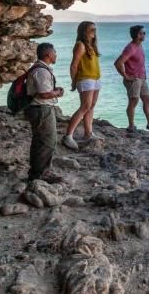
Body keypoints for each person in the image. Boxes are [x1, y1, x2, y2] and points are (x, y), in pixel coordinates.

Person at [25, 42, 64, 180]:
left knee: (40, 141)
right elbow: (44, 94)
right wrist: (57, 92)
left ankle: (36, 172)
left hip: (38, 108)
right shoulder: (41, 71)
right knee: (47, 142)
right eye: (54, 52)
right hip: (41, 109)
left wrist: (53, 91)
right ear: (48, 54)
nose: (56, 55)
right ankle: (41, 174)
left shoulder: (39, 69)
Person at [114, 24, 149, 132]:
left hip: (142, 78)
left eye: (144, 33)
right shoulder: (130, 48)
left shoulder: (139, 45)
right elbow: (118, 63)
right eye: (141, 33)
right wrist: (125, 76)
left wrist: (144, 76)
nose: (144, 35)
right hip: (133, 79)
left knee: (147, 99)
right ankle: (131, 126)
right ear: (136, 35)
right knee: (134, 101)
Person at [63, 21, 101, 149]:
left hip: (95, 79)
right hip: (85, 79)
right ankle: (68, 136)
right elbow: (74, 65)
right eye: (91, 30)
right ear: (84, 31)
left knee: (91, 106)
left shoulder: (91, 45)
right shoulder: (80, 45)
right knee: (85, 106)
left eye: (95, 30)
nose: (94, 32)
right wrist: (74, 81)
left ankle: (88, 133)